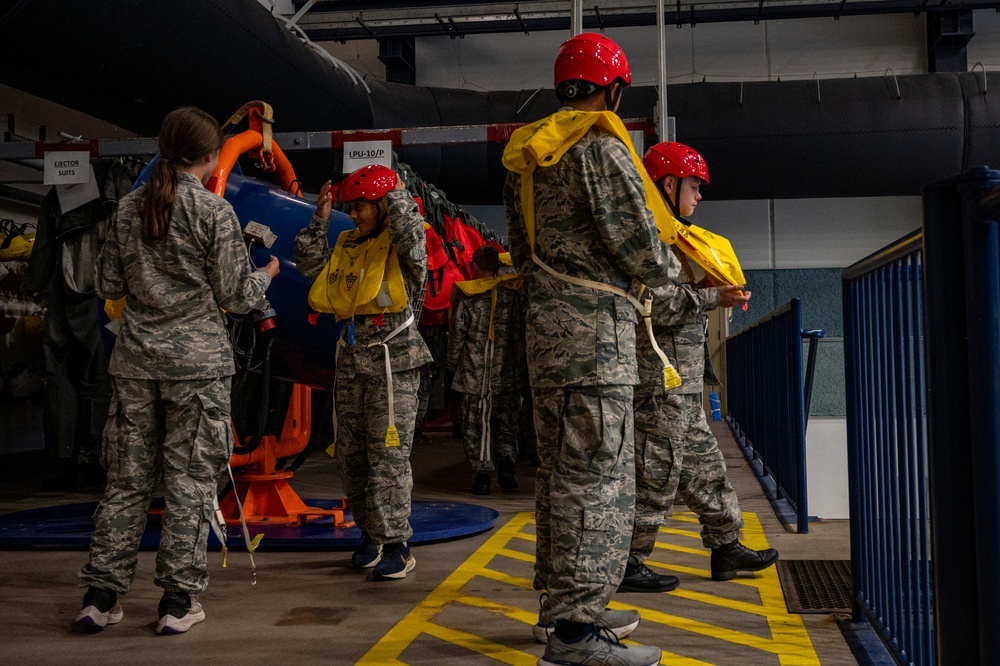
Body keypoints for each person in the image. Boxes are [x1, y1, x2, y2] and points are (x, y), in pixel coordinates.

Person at [503, 32, 680, 666]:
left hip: (548, 338)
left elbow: (521, 253)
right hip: (597, 342)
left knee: (560, 478)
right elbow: (642, 250)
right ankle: (575, 635)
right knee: (598, 481)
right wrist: (675, 270)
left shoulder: (530, 156)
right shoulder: (599, 149)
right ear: (614, 90)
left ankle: (561, 608)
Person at [76, 107, 279, 634]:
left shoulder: (128, 208)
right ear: (211, 156)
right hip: (197, 369)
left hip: (135, 364)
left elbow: (109, 285)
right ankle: (176, 602)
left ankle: (100, 597)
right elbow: (237, 297)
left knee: (126, 482)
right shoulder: (214, 212)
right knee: (189, 482)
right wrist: (266, 275)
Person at [619, 142, 778, 594]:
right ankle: (627, 561)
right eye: (694, 185)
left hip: (682, 382)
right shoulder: (648, 238)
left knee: (707, 468)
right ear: (668, 185)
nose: (699, 195)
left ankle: (726, 545)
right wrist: (713, 296)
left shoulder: (674, 238)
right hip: (660, 381)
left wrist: (709, 290)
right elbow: (652, 303)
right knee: (657, 472)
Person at [295, 164, 432, 581]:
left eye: (361, 207)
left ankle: (397, 546)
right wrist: (320, 220)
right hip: (353, 364)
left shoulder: (404, 246)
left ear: (383, 207)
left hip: (394, 366)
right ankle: (371, 535)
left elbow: (410, 235)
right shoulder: (348, 244)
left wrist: (397, 197)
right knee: (352, 458)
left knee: (388, 460)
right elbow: (312, 268)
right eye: (350, 207)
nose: (353, 215)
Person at [444, 244, 525, 495]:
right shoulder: (511, 297)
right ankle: (507, 469)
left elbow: (457, 337)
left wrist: (450, 368)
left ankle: (482, 478)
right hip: (506, 375)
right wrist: (522, 370)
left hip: (473, 377)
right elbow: (518, 338)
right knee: (506, 424)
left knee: (475, 427)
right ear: (498, 266)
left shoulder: (467, 297)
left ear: (474, 267)